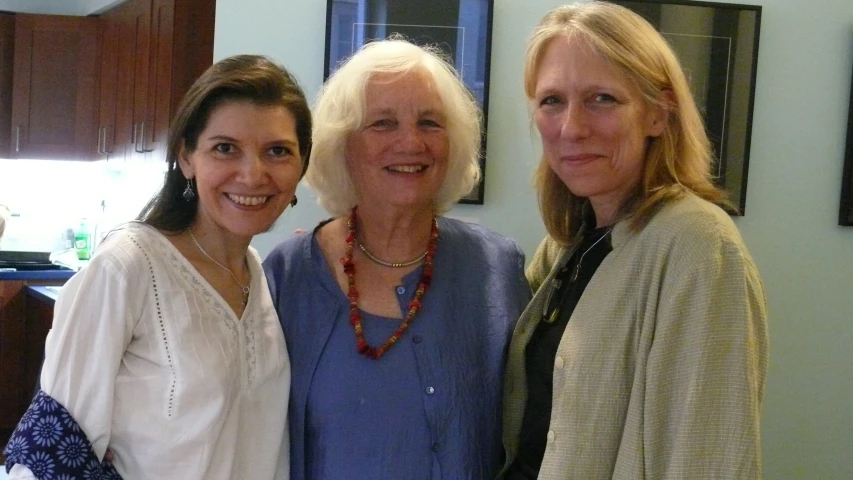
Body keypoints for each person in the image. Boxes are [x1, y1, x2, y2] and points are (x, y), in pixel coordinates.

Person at [3, 54, 312, 479]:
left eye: (278, 151)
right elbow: (49, 457)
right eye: (225, 148)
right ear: (187, 157)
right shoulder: (128, 266)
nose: (252, 174)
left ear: (301, 166)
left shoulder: (261, 276)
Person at [499, 2, 769, 479]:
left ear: (658, 114)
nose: (571, 128)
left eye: (602, 98)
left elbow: (707, 457)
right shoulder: (566, 246)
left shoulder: (696, 245)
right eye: (551, 101)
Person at [263, 38, 530, 480]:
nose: (411, 142)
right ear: (342, 145)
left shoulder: (498, 268)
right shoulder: (287, 276)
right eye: (382, 123)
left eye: (430, 123)